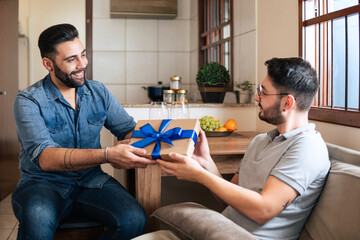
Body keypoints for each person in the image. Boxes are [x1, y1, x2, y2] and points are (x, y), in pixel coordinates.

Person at [156, 57, 330, 240]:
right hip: (220, 231)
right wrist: (206, 162)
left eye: (263, 92)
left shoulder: (307, 147)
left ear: (287, 103)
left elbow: (263, 210)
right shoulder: (261, 140)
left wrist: (200, 175)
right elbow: (228, 199)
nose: (257, 97)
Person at [12, 23, 155, 240]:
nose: (83, 64)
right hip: (42, 183)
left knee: (134, 219)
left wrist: (163, 137)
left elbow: (127, 130)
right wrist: (108, 154)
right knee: (37, 218)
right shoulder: (28, 100)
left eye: (83, 55)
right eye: (72, 59)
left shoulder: (98, 91)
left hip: (92, 181)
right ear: (48, 64)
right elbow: (46, 158)